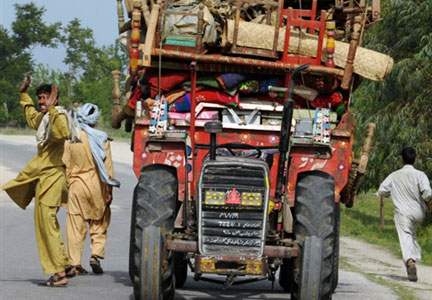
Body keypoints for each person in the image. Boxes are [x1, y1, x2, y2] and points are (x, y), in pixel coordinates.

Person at [2, 72, 80, 287]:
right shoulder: (44, 118)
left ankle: (58, 274)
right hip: (44, 179)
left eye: (45, 98)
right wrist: (23, 93)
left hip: (53, 178)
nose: (41, 102)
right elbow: (30, 115)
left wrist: (54, 108)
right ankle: (65, 265)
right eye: (39, 99)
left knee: (47, 226)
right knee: (49, 224)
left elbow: (62, 132)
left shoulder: (59, 115)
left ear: (54, 99)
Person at [62, 103, 120, 276]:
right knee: (100, 221)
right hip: (97, 186)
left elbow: (65, 164)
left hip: (76, 186)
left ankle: (74, 263)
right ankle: (95, 254)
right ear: (94, 120)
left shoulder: (71, 138)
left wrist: (67, 186)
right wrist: (109, 191)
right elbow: (107, 169)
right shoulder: (102, 139)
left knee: (75, 225)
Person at [378, 147, 432, 282]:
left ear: (401, 159)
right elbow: (427, 193)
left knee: (406, 236)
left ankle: (410, 261)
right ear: (415, 159)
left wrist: (392, 193)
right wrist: (427, 202)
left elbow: (382, 190)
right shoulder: (420, 175)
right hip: (419, 213)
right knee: (412, 234)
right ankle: (414, 258)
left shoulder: (394, 175)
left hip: (403, 213)